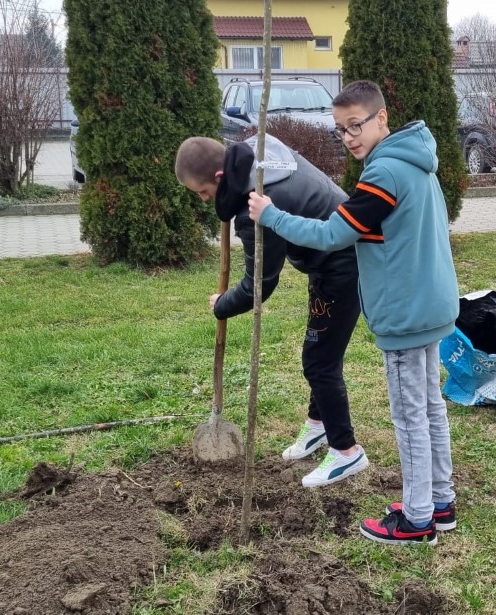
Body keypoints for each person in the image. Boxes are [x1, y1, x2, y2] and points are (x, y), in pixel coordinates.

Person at [247, 80, 460, 545]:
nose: (348, 137)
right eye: (340, 130)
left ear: (382, 118)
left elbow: (331, 235)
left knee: (411, 417)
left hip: (405, 314)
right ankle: (440, 502)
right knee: (429, 408)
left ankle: (418, 520)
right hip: (432, 304)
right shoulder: (416, 162)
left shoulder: (383, 175)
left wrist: (270, 215)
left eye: (355, 125)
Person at [175, 133, 370, 488]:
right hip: (332, 255)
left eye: (203, 192)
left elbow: (259, 285)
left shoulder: (256, 206)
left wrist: (222, 305)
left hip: (346, 261)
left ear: (219, 176)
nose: (203, 200)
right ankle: (318, 425)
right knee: (320, 351)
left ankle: (346, 451)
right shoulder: (258, 151)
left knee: (319, 361)